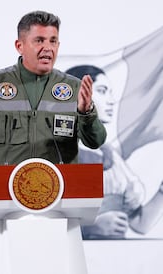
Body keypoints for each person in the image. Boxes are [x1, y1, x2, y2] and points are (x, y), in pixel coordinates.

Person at [0, 11, 107, 273]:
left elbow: (96, 141)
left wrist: (86, 112)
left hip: (59, 222)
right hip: (1, 222)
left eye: (54, 41)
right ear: (20, 45)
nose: (48, 47)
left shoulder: (73, 89)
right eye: (40, 40)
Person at [66, 65, 163, 239]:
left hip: (115, 257)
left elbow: (140, 224)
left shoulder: (111, 156)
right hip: (78, 255)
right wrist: (89, 228)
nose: (111, 100)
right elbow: (38, 219)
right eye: (102, 91)